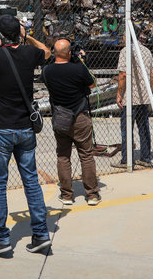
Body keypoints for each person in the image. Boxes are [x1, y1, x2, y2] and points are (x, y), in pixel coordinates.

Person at [0, 14, 52, 256]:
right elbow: (48, 52)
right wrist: (27, 36)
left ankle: (1, 239)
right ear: (18, 33)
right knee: (30, 180)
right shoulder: (30, 53)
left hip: (2, 127)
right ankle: (41, 234)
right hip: (25, 127)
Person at [41, 39, 99, 206]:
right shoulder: (79, 69)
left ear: (54, 53)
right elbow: (92, 83)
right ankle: (92, 194)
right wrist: (80, 60)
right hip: (80, 116)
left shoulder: (47, 71)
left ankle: (67, 195)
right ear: (69, 53)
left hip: (60, 117)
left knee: (63, 156)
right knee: (86, 155)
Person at [112, 35, 153, 169]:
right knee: (143, 128)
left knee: (126, 129)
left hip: (129, 97)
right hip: (143, 96)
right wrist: (149, 91)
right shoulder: (146, 51)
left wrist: (119, 93)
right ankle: (146, 157)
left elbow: (123, 75)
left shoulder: (125, 51)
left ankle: (126, 159)